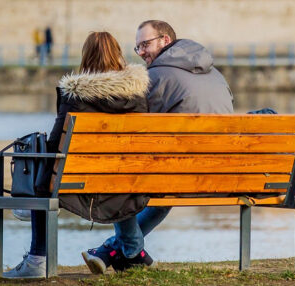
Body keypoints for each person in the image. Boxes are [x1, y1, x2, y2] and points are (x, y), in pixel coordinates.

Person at [84, 20, 234, 274]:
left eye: (145, 44)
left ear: (165, 41)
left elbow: (127, 130)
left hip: (178, 175)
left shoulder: (154, 77)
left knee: (118, 174)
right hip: (224, 175)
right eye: (138, 47)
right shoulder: (215, 75)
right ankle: (121, 250)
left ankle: (126, 249)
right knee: (163, 191)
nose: (141, 52)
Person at [3, 31, 150, 278]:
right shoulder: (139, 96)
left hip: (78, 182)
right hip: (126, 183)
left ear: (86, 58)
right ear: (119, 56)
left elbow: (54, 145)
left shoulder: (75, 95)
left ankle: (37, 259)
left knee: (44, 165)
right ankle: (133, 253)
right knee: (109, 175)